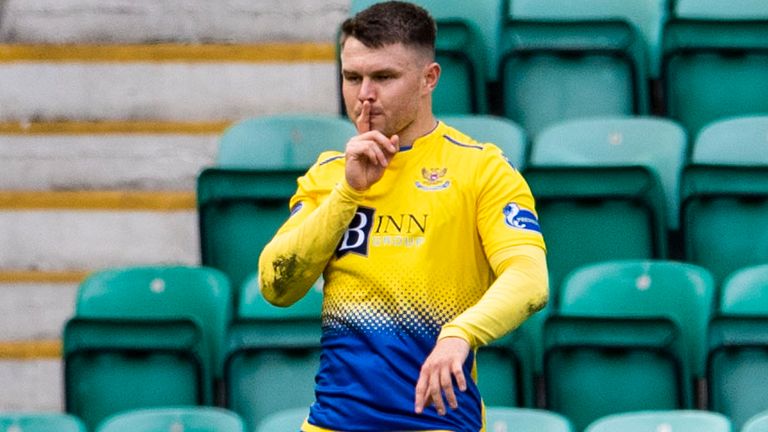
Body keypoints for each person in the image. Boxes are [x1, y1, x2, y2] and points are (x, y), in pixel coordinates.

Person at [258, 1, 548, 430]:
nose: (364, 95)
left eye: (384, 77)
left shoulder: (482, 170)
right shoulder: (329, 176)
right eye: (352, 77)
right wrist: (348, 193)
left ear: (429, 78)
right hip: (334, 423)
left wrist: (461, 333)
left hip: (440, 423)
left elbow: (530, 280)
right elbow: (276, 286)